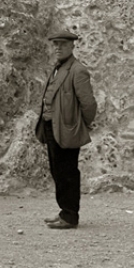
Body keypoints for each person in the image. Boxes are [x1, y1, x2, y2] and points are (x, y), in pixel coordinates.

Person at [35, 30, 97, 230]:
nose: (58, 48)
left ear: (72, 46)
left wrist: (80, 125)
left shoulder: (78, 70)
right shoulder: (57, 68)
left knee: (68, 172)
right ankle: (64, 211)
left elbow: (88, 105)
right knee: (57, 171)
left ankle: (70, 216)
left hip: (67, 129)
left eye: (62, 44)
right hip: (51, 127)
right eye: (55, 44)